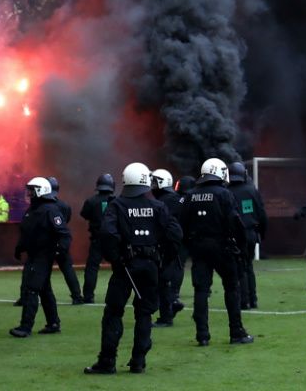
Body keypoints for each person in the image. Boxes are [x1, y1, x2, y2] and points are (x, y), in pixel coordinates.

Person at [84, 162, 181, 376]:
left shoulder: (117, 205)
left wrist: (117, 259)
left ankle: (107, 361)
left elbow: (107, 234)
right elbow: (175, 234)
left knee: (113, 313)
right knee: (144, 313)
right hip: (150, 266)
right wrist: (162, 260)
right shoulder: (158, 206)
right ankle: (139, 361)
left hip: (125, 267)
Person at [178, 158, 254, 346]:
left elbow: (181, 224)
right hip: (222, 247)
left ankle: (202, 335)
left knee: (201, 290)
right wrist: (242, 249)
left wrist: (190, 244)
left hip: (198, 248)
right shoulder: (224, 194)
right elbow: (235, 222)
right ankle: (236, 332)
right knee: (231, 287)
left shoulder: (190, 195)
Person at [11, 176, 69, 338]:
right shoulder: (33, 210)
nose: (29, 193)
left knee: (31, 289)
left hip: (43, 256)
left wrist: (58, 251)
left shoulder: (50, 210)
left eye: (32, 190)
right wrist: (20, 247)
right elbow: (27, 232)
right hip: (34, 255)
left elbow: (63, 234)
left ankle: (25, 327)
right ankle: (53, 323)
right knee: (44, 290)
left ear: (40, 191)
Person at [227, 162, 265, 310]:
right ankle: (253, 299)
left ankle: (244, 301)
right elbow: (262, 215)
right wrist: (261, 233)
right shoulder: (252, 190)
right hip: (250, 234)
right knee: (248, 267)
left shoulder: (226, 192)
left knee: (238, 269)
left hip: (234, 236)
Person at [151, 169, 186, 320]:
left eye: (155, 182)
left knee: (161, 279)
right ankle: (172, 302)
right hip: (181, 243)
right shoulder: (178, 199)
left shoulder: (162, 202)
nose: (152, 186)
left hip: (166, 245)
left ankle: (167, 311)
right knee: (170, 275)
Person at [48, 177, 86, 306]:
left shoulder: (41, 207)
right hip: (61, 242)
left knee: (37, 269)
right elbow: (66, 220)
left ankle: (26, 297)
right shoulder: (64, 206)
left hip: (46, 243)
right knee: (67, 269)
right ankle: (77, 296)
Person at [79, 174, 115, 304]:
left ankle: (88, 296)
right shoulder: (116, 201)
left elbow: (84, 214)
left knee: (92, 268)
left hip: (97, 239)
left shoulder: (91, 201)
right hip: (113, 240)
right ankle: (120, 294)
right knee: (120, 267)